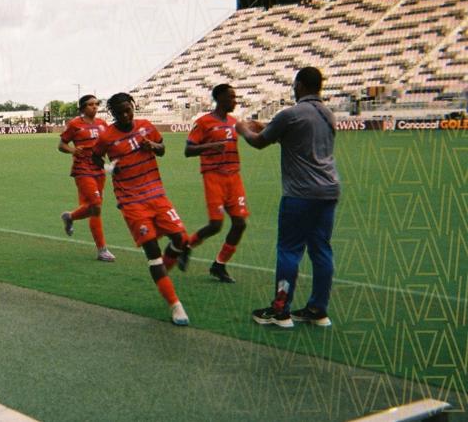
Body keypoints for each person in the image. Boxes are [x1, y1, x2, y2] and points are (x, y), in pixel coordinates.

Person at [237, 67, 340, 329]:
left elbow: (259, 141)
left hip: (300, 194)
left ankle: (280, 311)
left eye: (295, 85)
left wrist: (242, 129)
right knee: (321, 250)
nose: (293, 89)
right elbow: (295, 138)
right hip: (328, 192)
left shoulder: (290, 114)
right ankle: (318, 309)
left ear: (301, 85)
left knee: (289, 250)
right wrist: (266, 127)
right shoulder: (328, 115)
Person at [92, 92, 191, 326]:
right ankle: (175, 305)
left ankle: (163, 274)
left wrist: (153, 145)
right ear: (113, 114)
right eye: (120, 112)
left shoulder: (146, 126)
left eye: (129, 109)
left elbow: (163, 149)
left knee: (181, 239)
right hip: (131, 201)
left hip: (157, 194)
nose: (126, 115)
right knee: (152, 251)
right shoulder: (107, 136)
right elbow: (95, 157)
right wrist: (108, 168)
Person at [181, 84, 248, 283]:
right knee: (216, 224)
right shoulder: (203, 122)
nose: (235, 101)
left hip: (234, 177)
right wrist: (211, 146)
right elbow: (188, 150)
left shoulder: (234, 122)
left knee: (240, 223)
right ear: (219, 99)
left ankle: (219, 265)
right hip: (214, 177)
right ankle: (187, 246)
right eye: (231, 97)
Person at [58, 94, 115, 262]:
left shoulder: (103, 124)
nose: (95, 107)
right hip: (82, 169)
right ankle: (102, 250)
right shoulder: (75, 124)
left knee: (93, 209)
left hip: (99, 169)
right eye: (90, 104)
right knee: (95, 206)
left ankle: (70, 217)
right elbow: (61, 145)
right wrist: (73, 151)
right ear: (83, 107)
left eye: (96, 104)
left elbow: (109, 145)